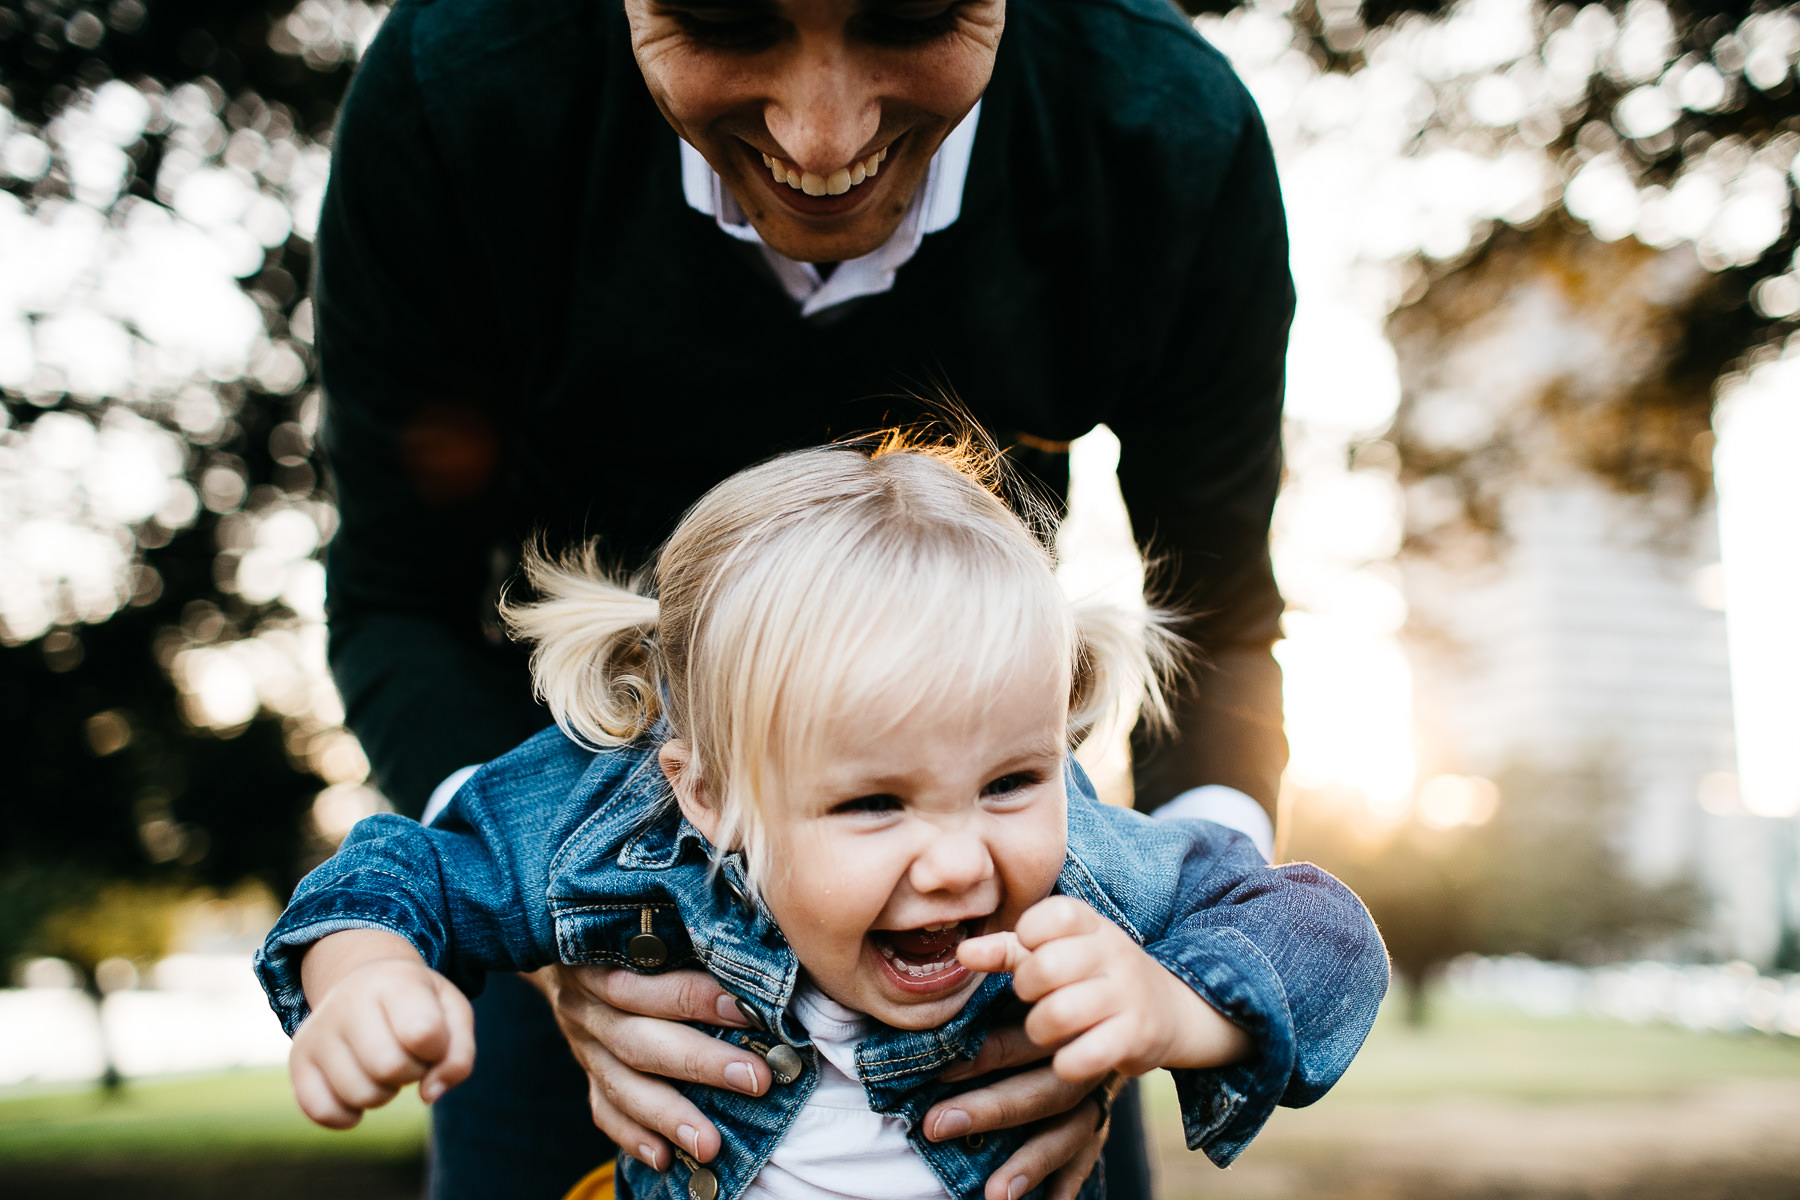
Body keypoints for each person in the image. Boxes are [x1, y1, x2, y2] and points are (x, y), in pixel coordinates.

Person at [315, 0, 1295, 1195]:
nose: (822, 140)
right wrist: (546, 917)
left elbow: (1224, 619)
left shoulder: (1165, 133)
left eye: (915, 14)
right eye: (725, 23)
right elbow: (393, 597)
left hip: (1014, 992)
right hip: (588, 890)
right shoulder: (457, 98)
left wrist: (1176, 977)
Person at [261, 440, 1386, 1200]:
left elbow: (1322, 939)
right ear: (707, 795)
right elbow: (408, 872)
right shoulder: (622, 841)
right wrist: (362, 973)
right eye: (872, 804)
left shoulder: (1082, 867)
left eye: (1010, 782)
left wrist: (1178, 1004)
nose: (956, 860)